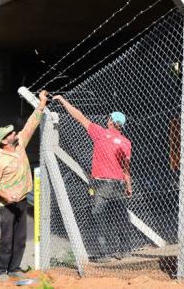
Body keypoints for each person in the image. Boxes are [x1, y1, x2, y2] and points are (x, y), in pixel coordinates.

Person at [52, 95, 132, 262]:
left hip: (101, 183)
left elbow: (79, 116)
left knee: (98, 215)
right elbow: (125, 167)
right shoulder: (126, 142)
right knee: (121, 216)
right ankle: (125, 250)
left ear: (110, 121)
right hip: (118, 184)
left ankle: (105, 254)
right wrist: (128, 185)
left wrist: (63, 100)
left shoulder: (101, 133)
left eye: (109, 118)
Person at [0, 90, 48, 282]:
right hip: (5, 206)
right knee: (5, 240)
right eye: (11, 133)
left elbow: (30, 125)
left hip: (20, 201)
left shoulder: (19, 145)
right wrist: (5, 195)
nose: (15, 133)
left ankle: (14, 268)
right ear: (4, 141)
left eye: (13, 132)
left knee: (20, 239)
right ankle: (1, 271)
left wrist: (41, 104)